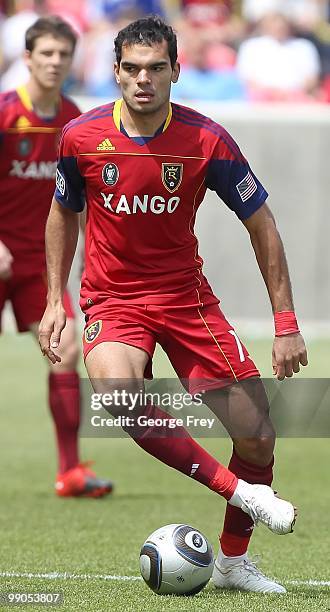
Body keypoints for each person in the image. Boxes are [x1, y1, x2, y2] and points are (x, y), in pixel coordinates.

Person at [39, 16, 308, 592]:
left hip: (186, 298)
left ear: (176, 72)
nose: (143, 79)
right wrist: (54, 299)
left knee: (257, 437)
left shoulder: (206, 139)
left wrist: (285, 323)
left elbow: (261, 223)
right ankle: (242, 494)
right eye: (132, 69)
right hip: (114, 299)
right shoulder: (81, 137)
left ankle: (234, 563)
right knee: (118, 395)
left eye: (156, 68)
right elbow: (62, 211)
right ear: (115, 73)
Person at [0, 15, 113, 498]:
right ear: (27, 58)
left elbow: (81, 198)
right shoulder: (5, 114)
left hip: (39, 264)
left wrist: (92, 254)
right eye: (45, 53)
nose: (54, 62)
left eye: (63, 54)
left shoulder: (74, 120)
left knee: (66, 351)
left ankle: (71, 471)